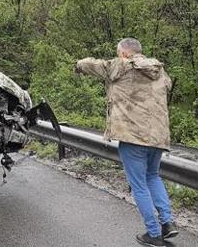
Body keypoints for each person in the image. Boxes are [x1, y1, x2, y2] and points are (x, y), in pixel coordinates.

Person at [75, 38, 179, 247]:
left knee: (139, 185)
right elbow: (165, 90)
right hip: (158, 137)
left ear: (124, 53)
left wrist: (78, 65)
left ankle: (153, 233)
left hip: (133, 137)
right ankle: (167, 222)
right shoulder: (159, 71)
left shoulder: (120, 65)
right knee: (153, 176)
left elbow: (93, 65)